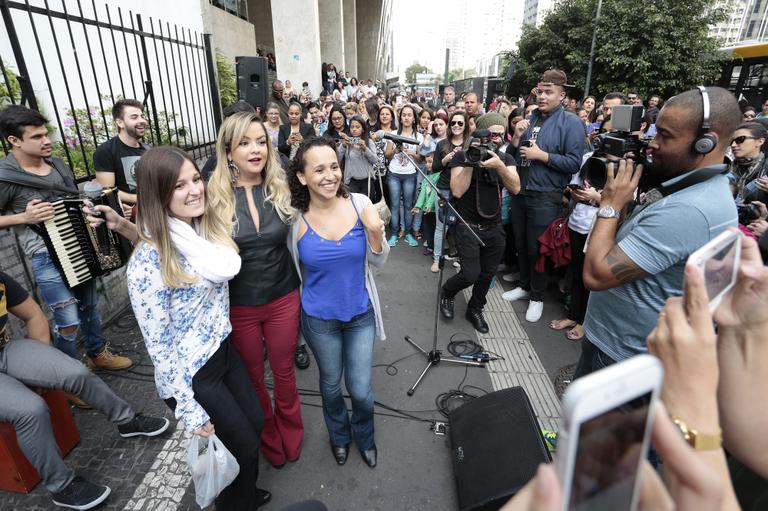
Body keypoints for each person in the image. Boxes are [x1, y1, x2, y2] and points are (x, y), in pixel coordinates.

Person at [127, 146, 270, 510]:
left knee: (254, 424)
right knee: (243, 443)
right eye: (179, 186)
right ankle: (238, 505)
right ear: (158, 194)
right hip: (193, 374)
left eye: (196, 178)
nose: (194, 189)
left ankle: (245, 495)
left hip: (223, 351)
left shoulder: (200, 231)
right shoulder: (148, 261)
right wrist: (188, 409)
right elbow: (158, 346)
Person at [575, 86, 740, 379]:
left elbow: (596, 275)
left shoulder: (690, 209)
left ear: (705, 143)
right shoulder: (688, 187)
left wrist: (610, 206)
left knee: (591, 426)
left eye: (666, 136)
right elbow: (626, 238)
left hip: (625, 359)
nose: (652, 144)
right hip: (615, 344)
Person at [0, 270, 169, 510]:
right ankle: (61, 486)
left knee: (75, 372)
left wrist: (40, 366)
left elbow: (34, 316)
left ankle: (127, 420)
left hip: (5, 350)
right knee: (31, 409)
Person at [205, 112, 305, 469]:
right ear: (229, 151)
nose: (255, 149)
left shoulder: (284, 186)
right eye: (245, 143)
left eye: (261, 141)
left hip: (283, 297)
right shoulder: (211, 197)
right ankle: (267, 434)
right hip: (239, 305)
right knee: (253, 380)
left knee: (284, 373)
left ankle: (292, 428)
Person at [0, 105, 132, 372]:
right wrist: (22, 218)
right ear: (14, 141)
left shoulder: (57, 164)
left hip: (77, 245)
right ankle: (70, 375)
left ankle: (97, 353)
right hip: (44, 254)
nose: (46, 140)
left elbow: (74, 201)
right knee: (67, 318)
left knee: (89, 307)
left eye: (45, 134)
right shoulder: (4, 176)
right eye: (36, 137)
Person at [286, 136, 388, 468]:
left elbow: (379, 261)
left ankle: (367, 436)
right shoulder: (294, 219)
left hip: (360, 314)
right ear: (302, 177)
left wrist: (375, 233)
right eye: (319, 169)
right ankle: (339, 437)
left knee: (360, 389)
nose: (330, 175)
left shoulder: (360, 203)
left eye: (334, 166)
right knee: (330, 386)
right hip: (318, 320)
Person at [502, 69, 586, 323]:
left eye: (549, 92)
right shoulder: (531, 118)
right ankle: (525, 285)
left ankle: (537, 297)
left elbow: (573, 163)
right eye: (540, 91)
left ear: (562, 96)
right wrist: (516, 138)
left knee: (537, 248)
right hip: (520, 191)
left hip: (546, 195)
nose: (542, 96)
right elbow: (513, 157)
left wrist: (543, 156)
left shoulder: (571, 123)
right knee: (520, 243)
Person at [440, 112, 520, 333]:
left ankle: (475, 308)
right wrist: (471, 160)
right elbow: (456, 191)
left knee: (487, 274)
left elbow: (515, 188)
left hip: (494, 228)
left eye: (500, 135)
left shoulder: (506, 159)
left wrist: (499, 167)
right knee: (470, 274)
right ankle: (447, 292)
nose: (495, 139)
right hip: (468, 227)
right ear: (480, 134)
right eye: (491, 134)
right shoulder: (462, 156)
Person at [93, 98, 147, 216]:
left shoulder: (149, 150)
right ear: (120, 122)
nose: (142, 120)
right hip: (130, 215)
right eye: (134, 117)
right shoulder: (105, 151)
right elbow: (108, 192)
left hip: (156, 208)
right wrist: (140, 199)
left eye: (142, 116)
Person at [384, 104, 423, 247]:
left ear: (413, 119)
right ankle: (394, 234)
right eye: (404, 115)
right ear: (400, 118)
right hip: (394, 174)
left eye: (409, 115)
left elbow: (421, 158)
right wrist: (395, 150)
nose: (406, 117)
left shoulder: (418, 136)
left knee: (408, 205)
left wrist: (411, 153)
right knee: (394, 205)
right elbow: (387, 155)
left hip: (410, 175)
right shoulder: (393, 133)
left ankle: (408, 233)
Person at [338, 115, 379, 196]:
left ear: (363, 129)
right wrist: (343, 146)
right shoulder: (346, 142)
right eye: (352, 127)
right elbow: (337, 158)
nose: (354, 129)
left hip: (367, 181)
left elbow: (375, 160)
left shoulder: (369, 142)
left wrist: (365, 149)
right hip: (351, 181)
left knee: (366, 206)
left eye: (357, 127)